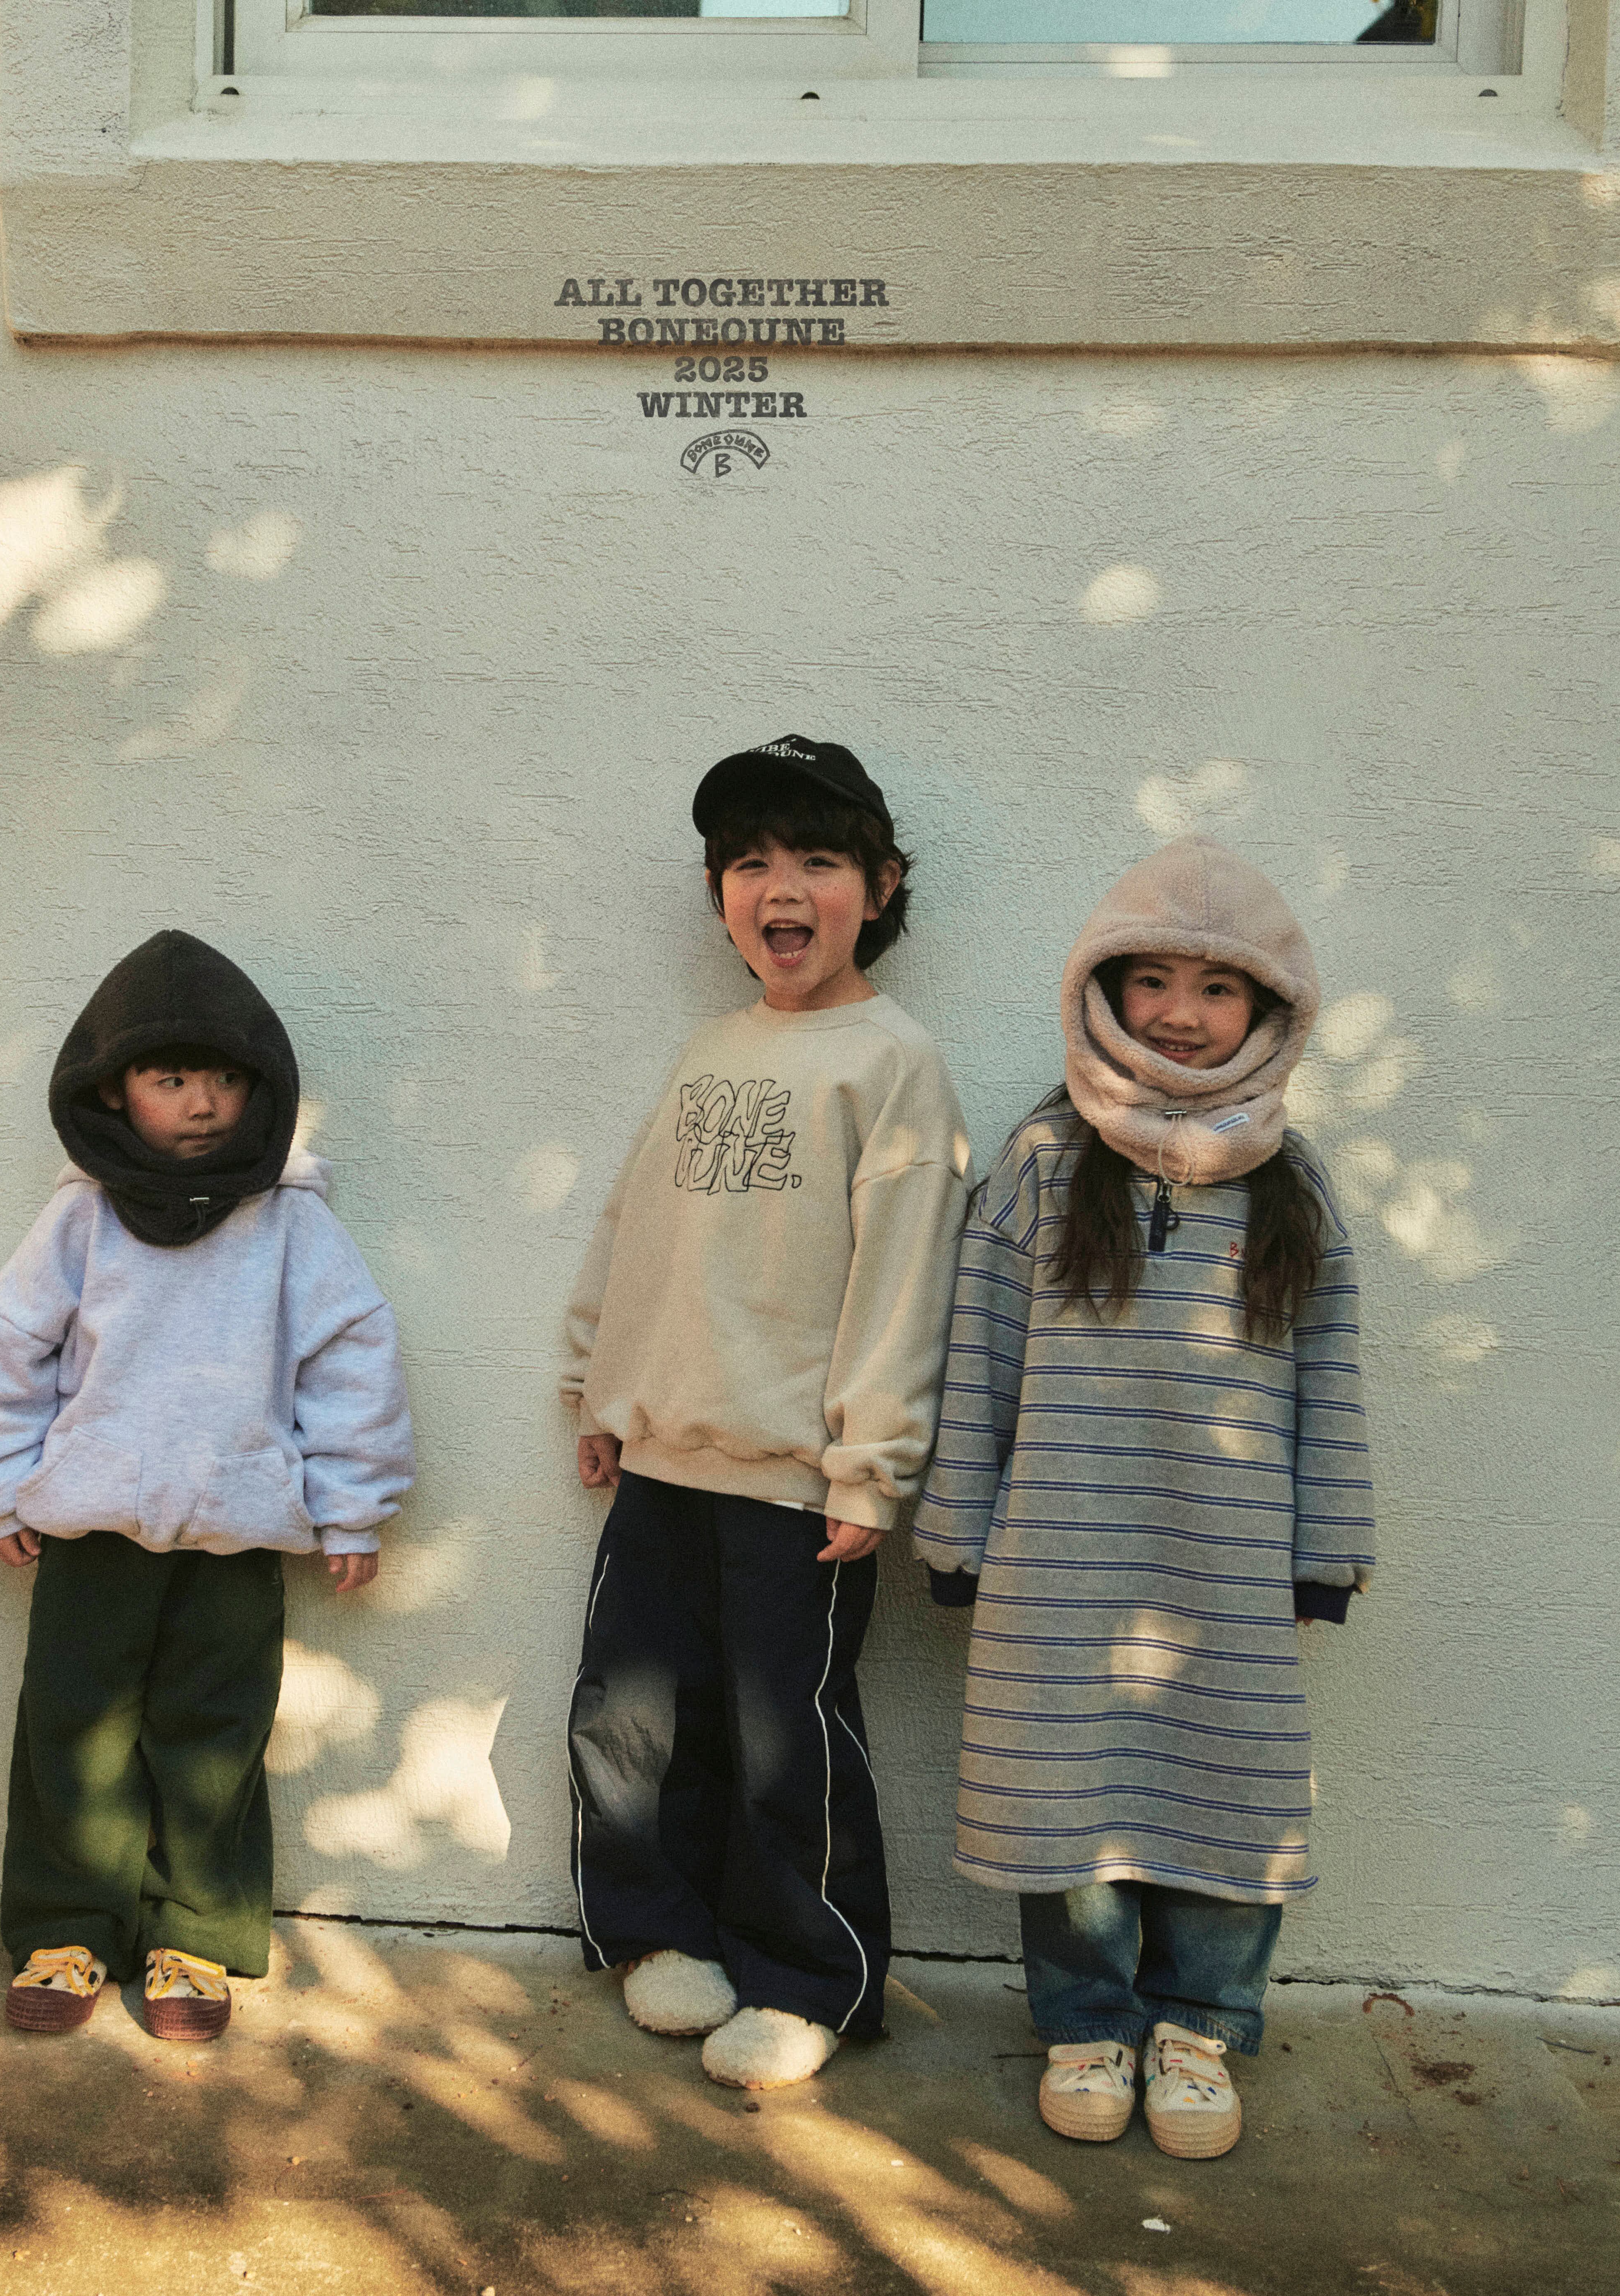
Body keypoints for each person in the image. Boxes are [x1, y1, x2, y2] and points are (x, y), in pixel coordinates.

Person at [916, 835, 1374, 2160]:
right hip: (1056, 1560)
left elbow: (1331, 1375)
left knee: (1224, 1781)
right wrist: (955, 1528)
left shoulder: (1293, 1183)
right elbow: (980, 1351)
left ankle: (1199, 2025)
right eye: (1152, 979)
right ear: (1101, 991)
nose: (1180, 1011)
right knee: (1062, 1786)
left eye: (1217, 987)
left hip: (1226, 1564)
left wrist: (1326, 1548)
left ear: (1269, 1009)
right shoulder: (1043, 1161)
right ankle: (1086, 2021)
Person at [560, 736, 971, 2092]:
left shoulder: (892, 1061)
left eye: (817, 860)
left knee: (784, 1737)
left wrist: (870, 1465)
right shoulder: (711, 1048)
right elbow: (639, 1228)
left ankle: (807, 1976)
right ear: (716, 892)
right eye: (748, 862)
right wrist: (598, 1383)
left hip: (796, 1476)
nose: (779, 887)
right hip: (663, 1451)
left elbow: (904, 1276)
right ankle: (657, 1927)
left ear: (881, 885)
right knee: (631, 1718)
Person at [0, 929, 413, 2042]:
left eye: (225, 1079)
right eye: (170, 1078)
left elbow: (352, 1356)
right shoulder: (81, 1218)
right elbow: (6, 1346)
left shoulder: (291, 1221)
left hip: (235, 1536)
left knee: (214, 1734)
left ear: (262, 1088)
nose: (201, 1103)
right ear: (113, 1090)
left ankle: (194, 1933)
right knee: (75, 1730)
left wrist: (353, 1504)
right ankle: (68, 1928)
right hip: (91, 1531)